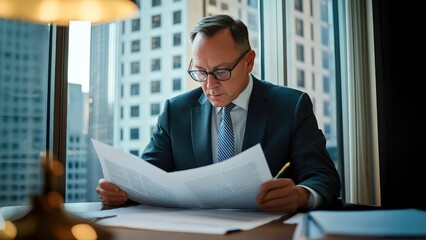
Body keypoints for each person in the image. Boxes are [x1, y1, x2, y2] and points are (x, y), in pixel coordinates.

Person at [97, 14, 341, 214]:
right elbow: (150, 176)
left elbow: (323, 177)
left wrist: (301, 196)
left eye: (221, 71)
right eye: (200, 72)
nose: (209, 85)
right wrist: (122, 192)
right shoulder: (176, 111)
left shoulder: (291, 105)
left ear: (248, 61)